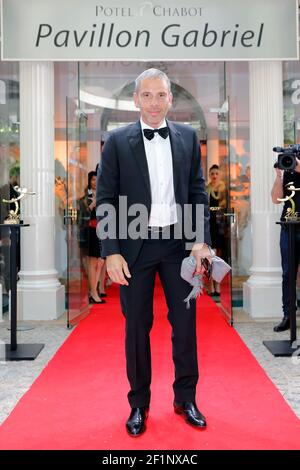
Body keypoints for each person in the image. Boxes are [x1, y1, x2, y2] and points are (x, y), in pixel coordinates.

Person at [97, 68, 212, 436]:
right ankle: (139, 405)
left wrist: (200, 241)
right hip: (135, 248)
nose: (154, 102)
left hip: (179, 246)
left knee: (185, 326)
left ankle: (185, 398)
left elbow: (197, 192)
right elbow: (106, 199)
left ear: (170, 99)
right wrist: (111, 251)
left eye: (160, 95)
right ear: (135, 100)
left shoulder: (188, 138)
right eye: (146, 95)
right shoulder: (115, 141)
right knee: (136, 329)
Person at [271, 157, 300, 332]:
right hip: (288, 229)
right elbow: (276, 199)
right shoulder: (286, 171)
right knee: (288, 274)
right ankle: (288, 315)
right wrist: (279, 176)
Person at [205, 164, 227, 296]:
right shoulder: (206, 189)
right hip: (209, 225)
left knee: (218, 258)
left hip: (220, 226)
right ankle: (210, 285)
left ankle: (217, 284)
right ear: (209, 175)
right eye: (212, 173)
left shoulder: (224, 189)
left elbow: (227, 207)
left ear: (220, 175)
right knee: (209, 257)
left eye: (216, 173)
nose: (214, 176)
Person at [86, 171, 106, 304]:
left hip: (102, 229)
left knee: (101, 261)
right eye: (92, 179)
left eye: (96, 179)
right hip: (91, 230)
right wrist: (93, 202)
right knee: (94, 263)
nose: (95, 182)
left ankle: (96, 288)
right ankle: (92, 292)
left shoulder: (103, 192)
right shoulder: (87, 194)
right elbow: (85, 210)